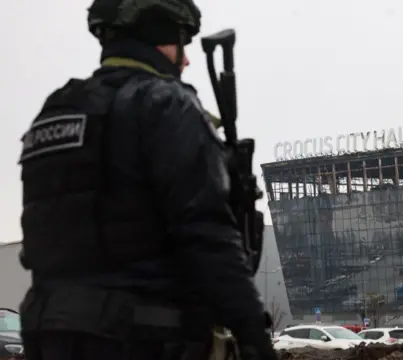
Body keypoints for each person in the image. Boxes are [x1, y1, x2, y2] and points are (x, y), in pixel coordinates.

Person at [17, 1, 277, 360]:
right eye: (180, 42)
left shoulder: (56, 111)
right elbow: (206, 234)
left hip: (49, 336)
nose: (185, 59)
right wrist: (253, 334)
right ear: (158, 37)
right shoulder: (165, 103)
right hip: (141, 337)